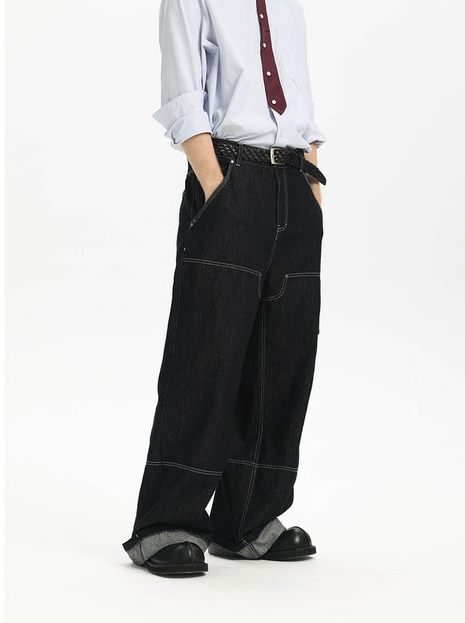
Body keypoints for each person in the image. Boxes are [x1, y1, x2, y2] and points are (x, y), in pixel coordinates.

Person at [122, 0, 327, 576]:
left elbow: (299, 88)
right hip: (232, 174)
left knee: (283, 358)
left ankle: (250, 519)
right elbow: (182, 89)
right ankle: (166, 523)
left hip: (294, 179)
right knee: (205, 353)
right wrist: (215, 183)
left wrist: (311, 176)